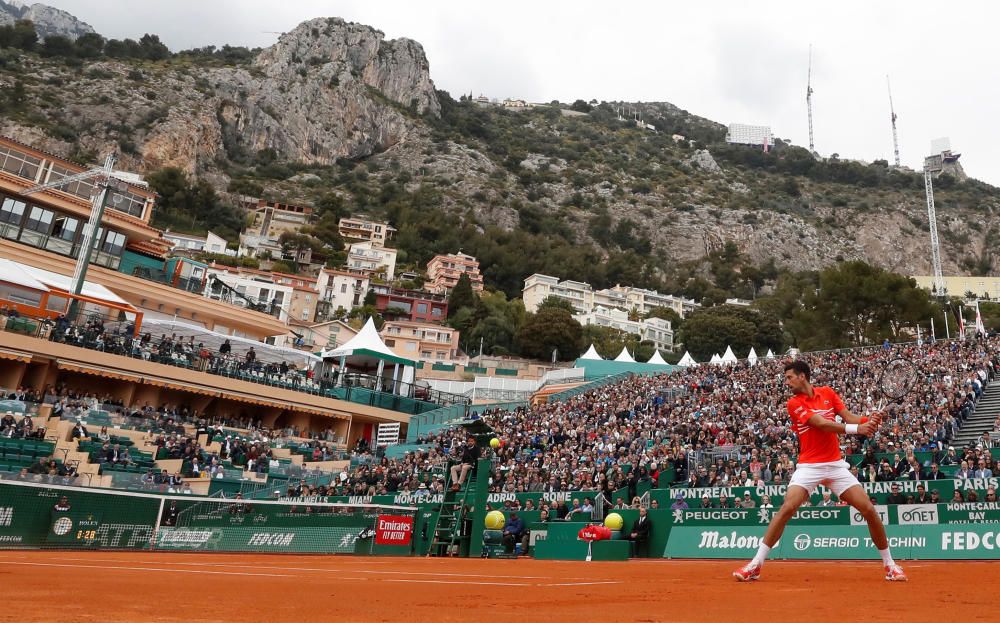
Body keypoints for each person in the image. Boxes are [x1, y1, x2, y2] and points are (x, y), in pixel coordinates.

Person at [734, 361, 906, 582]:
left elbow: (849, 418)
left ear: (802, 376)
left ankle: (890, 565)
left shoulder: (827, 393)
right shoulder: (793, 403)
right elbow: (821, 424)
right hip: (809, 466)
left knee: (869, 510)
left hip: (835, 465)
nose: (786, 382)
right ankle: (755, 564)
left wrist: (868, 420)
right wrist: (858, 428)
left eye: (789, 377)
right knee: (787, 508)